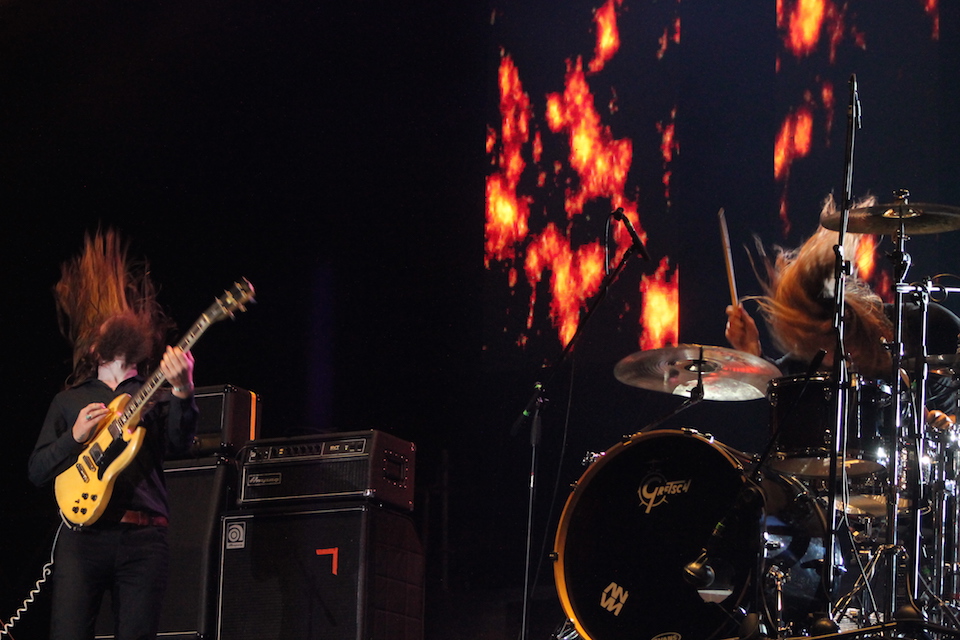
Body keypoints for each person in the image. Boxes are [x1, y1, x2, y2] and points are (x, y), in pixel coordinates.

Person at [28, 230, 198, 640]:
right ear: (94, 349)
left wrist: (183, 390)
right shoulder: (69, 401)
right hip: (82, 539)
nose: (115, 319)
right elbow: (36, 471)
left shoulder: (154, 394)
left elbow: (180, 446)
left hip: (144, 539)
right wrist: (75, 436)